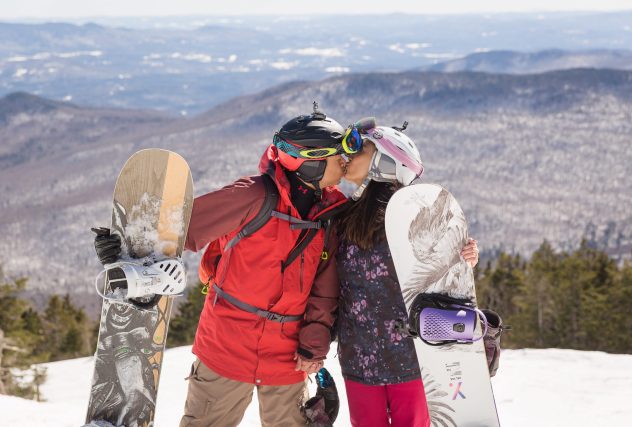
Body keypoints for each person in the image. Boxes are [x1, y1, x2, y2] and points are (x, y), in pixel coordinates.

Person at [94, 105, 361, 427]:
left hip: (288, 354)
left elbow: (325, 287)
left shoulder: (332, 214)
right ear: (312, 161)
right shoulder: (252, 196)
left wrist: (314, 344)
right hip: (226, 344)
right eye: (337, 157)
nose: (344, 164)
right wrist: (122, 252)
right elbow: (177, 230)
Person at [334, 122, 479, 427]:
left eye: (359, 149)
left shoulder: (414, 217)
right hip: (360, 357)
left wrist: (465, 256)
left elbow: (444, 273)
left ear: (384, 161)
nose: (347, 155)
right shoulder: (342, 216)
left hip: (412, 359)